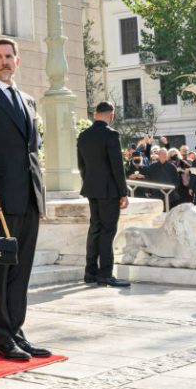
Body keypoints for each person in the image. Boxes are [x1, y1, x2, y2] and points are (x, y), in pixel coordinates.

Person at [0, 38, 51, 361]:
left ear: (18, 61)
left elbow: (32, 151)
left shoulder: (29, 101)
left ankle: (17, 331)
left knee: (22, 271)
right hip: (0, 202)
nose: (4, 61)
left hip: (29, 198)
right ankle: (1, 338)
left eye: (8, 56)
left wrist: (39, 197)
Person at [77, 101, 130, 287]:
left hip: (92, 189)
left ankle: (90, 272)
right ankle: (105, 274)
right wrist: (123, 192)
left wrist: (90, 183)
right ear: (111, 115)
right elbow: (117, 167)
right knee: (107, 231)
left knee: (95, 229)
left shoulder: (83, 136)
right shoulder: (111, 134)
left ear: (95, 114)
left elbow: (81, 166)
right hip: (109, 191)